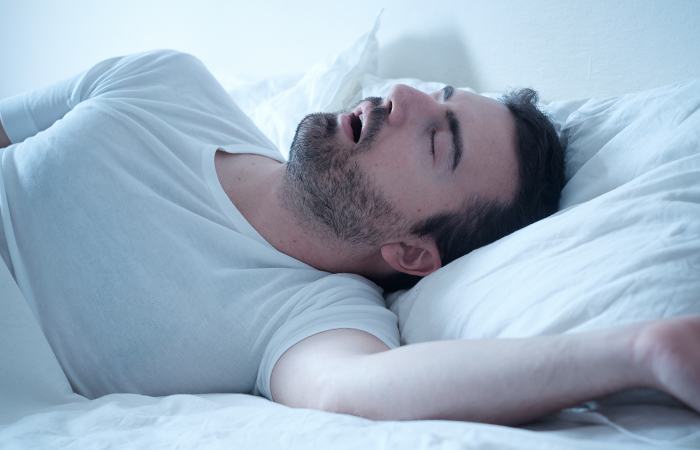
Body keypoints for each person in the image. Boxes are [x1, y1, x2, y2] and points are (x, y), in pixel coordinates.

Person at [0, 50, 698, 426]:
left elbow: (362, 390)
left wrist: (639, 351)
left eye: (437, 140)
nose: (402, 94)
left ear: (413, 254)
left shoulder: (314, 317)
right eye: (439, 94)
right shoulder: (164, 82)